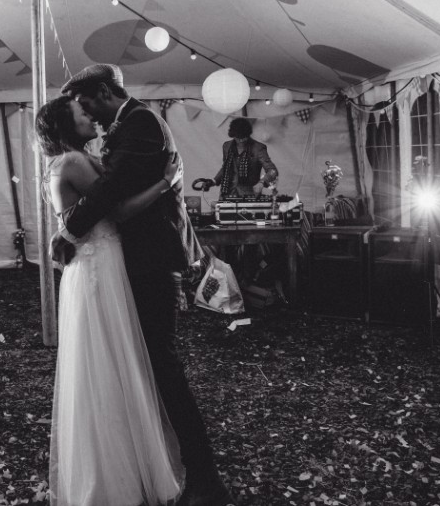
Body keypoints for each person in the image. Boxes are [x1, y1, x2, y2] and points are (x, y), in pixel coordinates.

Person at [51, 64, 233, 506]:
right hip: (129, 263)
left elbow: (111, 192)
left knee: (163, 368)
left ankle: (206, 480)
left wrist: (70, 228)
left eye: (87, 102)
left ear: (100, 91)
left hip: (150, 263)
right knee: (142, 368)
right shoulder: (125, 125)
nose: (88, 113)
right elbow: (111, 190)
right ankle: (150, 462)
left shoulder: (141, 123)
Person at [37, 94, 186, 505]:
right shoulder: (75, 163)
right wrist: (164, 183)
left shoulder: (71, 160)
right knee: (113, 364)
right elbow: (118, 210)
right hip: (100, 265)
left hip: (93, 265)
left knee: (105, 363)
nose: (89, 115)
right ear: (67, 125)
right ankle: (119, 475)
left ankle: (111, 467)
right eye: (80, 113)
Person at [200, 117, 278, 198]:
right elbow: (226, 168)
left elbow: (272, 170)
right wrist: (213, 181)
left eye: (244, 137)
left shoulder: (258, 148)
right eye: (238, 138)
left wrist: (262, 183)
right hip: (226, 193)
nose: (241, 140)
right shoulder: (227, 146)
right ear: (233, 135)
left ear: (248, 134)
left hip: (249, 194)